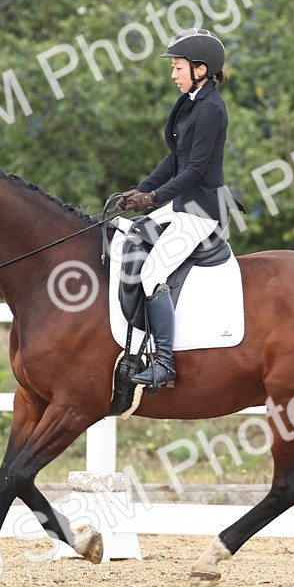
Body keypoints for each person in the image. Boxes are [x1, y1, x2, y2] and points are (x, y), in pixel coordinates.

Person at [119, 27, 230, 388]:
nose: (173, 74)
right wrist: (142, 188)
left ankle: (165, 363)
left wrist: (153, 199)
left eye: (178, 67)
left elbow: (196, 169)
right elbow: (175, 157)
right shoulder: (191, 101)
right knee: (131, 233)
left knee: (152, 274)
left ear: (200, 68)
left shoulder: (211, 108)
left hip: (201, 211)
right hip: (181, 205)